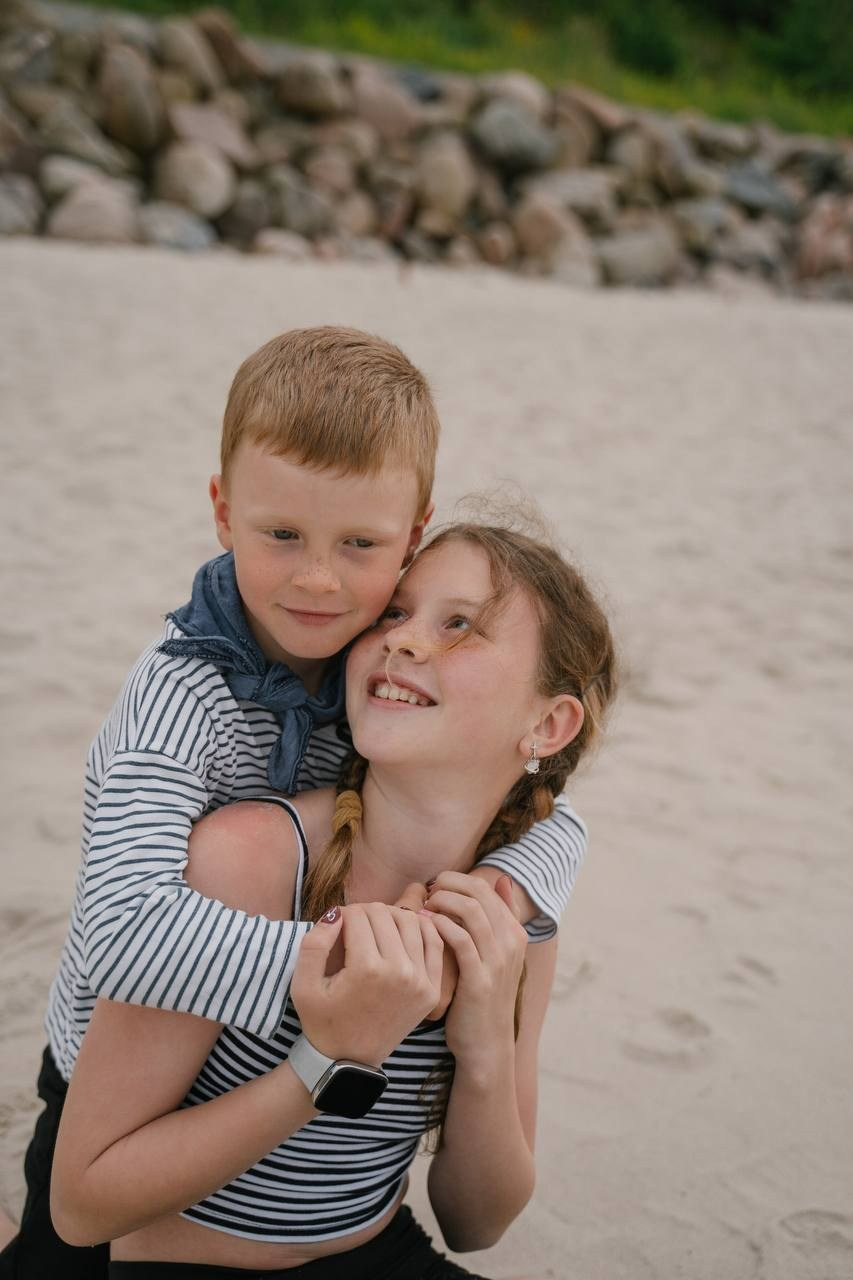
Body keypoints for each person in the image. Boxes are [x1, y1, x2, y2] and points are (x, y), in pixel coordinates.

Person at [0, 331, 588, 1279]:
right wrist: (365, 975)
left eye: (360, 546)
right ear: (224, 514)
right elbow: (120, 931)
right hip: (111, 1060)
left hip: (337, 1193)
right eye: (282, 535)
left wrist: (499, 924)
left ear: (410, 533)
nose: (320, 580)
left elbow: (554, 828)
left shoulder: (377, 693)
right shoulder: (178, 705)